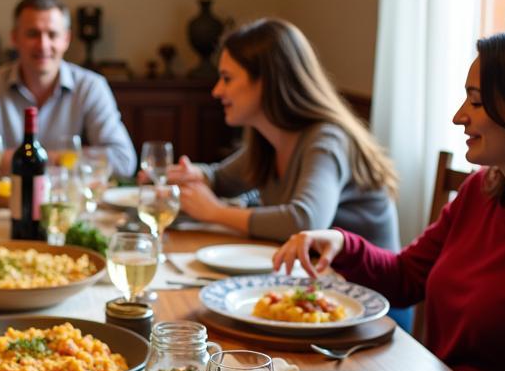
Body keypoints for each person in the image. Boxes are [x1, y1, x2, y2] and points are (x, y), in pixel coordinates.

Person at [274, 25, 505, 371]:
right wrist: (341, 242)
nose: (458, 116)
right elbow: (405, 278)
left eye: (477, 102)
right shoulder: (478, 192)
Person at [168, 18, 400, 247]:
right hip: (315, 278)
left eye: (227, 79)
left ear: (267, 82)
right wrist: (191, 175)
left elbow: (307, 221)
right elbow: (221, 178)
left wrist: (216, 212)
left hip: (359, 283)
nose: (217, 91)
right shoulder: (268, 138)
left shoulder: (327, 140)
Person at [0, 0, 137, 177]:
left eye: (52, 34)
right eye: (33, 34)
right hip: (3, 203)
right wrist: (66, 159)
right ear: (15, 38)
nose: (43, 45)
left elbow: (123, 160)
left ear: (66, 39)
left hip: (69, 204)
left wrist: (29, 160)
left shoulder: (91, 86)